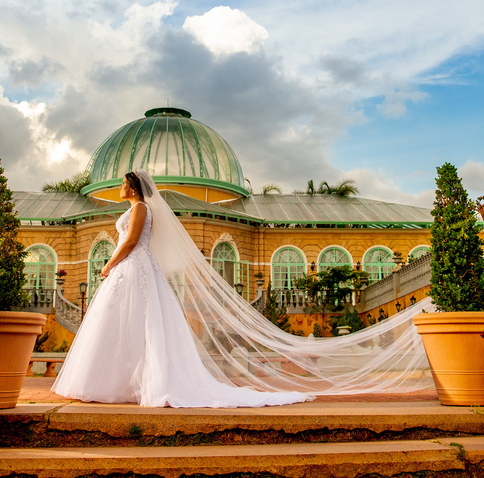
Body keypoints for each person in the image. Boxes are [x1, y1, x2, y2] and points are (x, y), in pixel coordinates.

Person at [51, 169, 312, 407]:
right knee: (116, 324)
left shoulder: (141, 208)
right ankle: (109, 384)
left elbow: (131, 242)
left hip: (134, 265)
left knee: (137, 323)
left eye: (122, 183)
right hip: (129, 268)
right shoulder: (134, 208)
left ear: (133, 188)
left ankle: (137, 384)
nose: (119, 187)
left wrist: (108, 264)